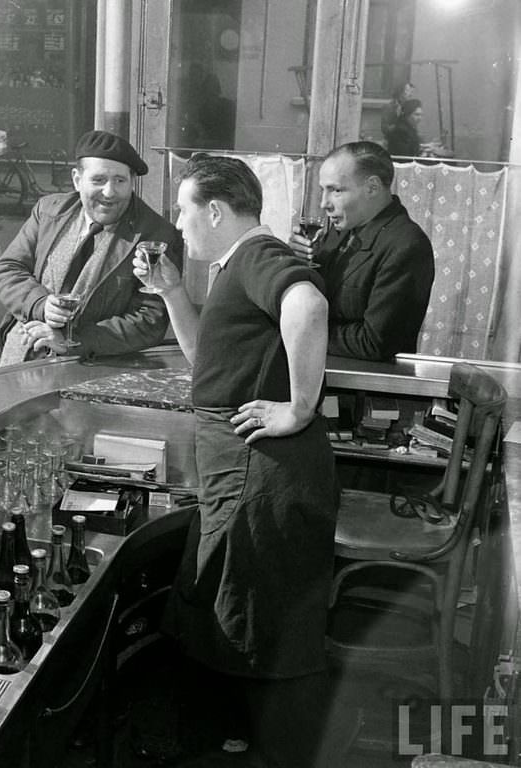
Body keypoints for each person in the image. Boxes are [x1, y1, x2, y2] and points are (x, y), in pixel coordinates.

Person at [134, 154, 340, 766]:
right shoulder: (234, 268)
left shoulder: (258, 256)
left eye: (183, 208)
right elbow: (208, 363)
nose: (178, 221)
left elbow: (309, 307)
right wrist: (171, 290)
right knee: (233, 611)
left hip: (261, 471)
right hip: (242, 467)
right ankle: (241, 742)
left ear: (216, 211)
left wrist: (299, 407)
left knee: (256, 622)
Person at [0, 129, 183, 367]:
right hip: (20, 356)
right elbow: (7, 269)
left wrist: (73, 341)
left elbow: (149, 321)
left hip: (93, 368)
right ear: (77, 180)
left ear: (132, 183)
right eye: (98, 180)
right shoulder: (48, 210)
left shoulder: (156, 236)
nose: (109, 192)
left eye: (120, 181)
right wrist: (39, 304)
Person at [290, 141, 435, 361]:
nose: (323, 204)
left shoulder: (407, 245)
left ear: (372, 188)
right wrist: (296, 262)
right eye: (323, 191)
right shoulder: (341, 230)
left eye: (336, 190)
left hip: (368, 391)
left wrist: (297, 330)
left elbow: (375, 342)